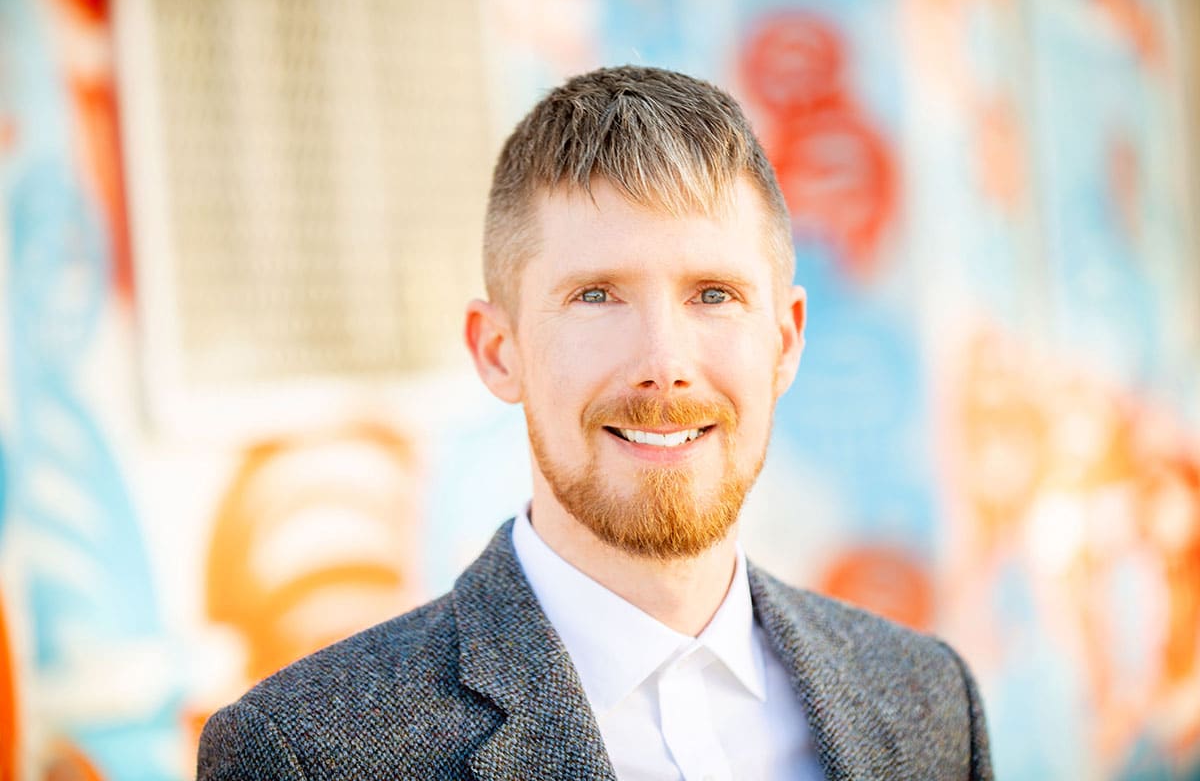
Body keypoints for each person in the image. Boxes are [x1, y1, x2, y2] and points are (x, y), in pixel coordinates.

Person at [197, 65, 993, 780]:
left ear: (783, 341)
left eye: (713, 294)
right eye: (596, 295)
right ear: (498, 350)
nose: (664, 362)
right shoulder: (304, 753)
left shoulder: (928, 701)